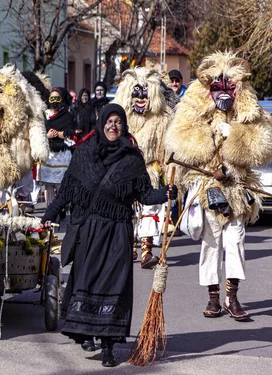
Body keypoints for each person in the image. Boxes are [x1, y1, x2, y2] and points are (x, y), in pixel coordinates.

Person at [42, 103, 177, 367]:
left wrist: (166, 193)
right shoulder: (83, 154)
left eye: (118, 122)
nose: (113, 126)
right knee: (88, 282)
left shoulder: (132, 159)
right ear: (101, 124)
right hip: (89, 232)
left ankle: (108, 347)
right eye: (109, 121)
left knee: (114, 285)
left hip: (117, 232)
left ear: (124, 126)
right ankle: (87, 333)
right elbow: (67, 192)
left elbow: (145, 194)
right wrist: (49, 216)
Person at [165, 52, 272, 321]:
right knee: (210, 243)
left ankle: (231, 296)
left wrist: (235, 136)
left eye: (229, 87)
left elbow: (261, 149)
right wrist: (210, 141)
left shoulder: (250, 113)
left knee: (235, 242)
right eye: (217, 87)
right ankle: (213, 298)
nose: (223, 93)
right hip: (206, 188)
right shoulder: (194, 111)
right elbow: (181, 142)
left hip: (237, 188)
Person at [112, 67, 178, 268]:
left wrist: (168, 172)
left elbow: (164, 150)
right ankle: (130, 245)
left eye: (145, 94)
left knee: (149, 209)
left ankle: (146, 249)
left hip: (149, 171)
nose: (140, 99)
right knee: (128, 210)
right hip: (123, 172)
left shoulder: (161, 119)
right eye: (136, 94)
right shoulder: (120, 119)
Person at [40, 87, 76, 209]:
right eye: (52, 98)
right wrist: (47, 136)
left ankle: (61, 208)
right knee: (49, 185)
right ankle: (50, 208)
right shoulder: (43, 115)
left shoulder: (67, 116)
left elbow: (71, 134)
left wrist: (59, 134)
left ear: (60, 99)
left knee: (62, 184)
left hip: (62, 155)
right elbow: (38, 134)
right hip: (49, 155)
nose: (54, 101)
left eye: (57, 98)